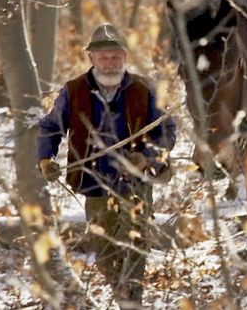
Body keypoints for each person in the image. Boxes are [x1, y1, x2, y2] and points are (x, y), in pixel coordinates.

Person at [36, 23, 176, 309]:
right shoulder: (73, 90)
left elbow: (167, 130)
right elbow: (51, 127)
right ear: (91, 59)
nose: (109, 62)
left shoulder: (144, 88)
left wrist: (147, 156)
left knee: (136, 244)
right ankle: (122, 291)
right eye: (103, 57)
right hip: (93, 181)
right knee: (103, 251)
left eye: (114, 56)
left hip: (135, 182)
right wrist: (45, 159)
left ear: (125, 56)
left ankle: (131, 302)